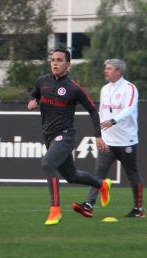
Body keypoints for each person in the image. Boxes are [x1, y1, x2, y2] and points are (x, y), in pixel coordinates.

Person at [28, 49, 112, 226]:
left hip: (66, 135)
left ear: (68, 64)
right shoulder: (42, 81)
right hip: (49, 136)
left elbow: (92, 110)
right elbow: (35, 93)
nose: (55, 63)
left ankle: (55, 210)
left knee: (47, 164)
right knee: (72, 176)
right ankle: (102, 185)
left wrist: (98, 135)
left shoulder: (73, 88)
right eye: (52, 60)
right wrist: (33, 100)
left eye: (59, 60)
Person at [72, 59, 145, 218]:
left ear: (118, 71)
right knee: (98, 175)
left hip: (126, 141)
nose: (106, 71)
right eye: (106, 68)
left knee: (132, 175)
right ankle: (89, 205)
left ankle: (138, 209)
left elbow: (130, 109)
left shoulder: (129, 88)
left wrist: (113, 121)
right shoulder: (105, 89)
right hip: (108, 142)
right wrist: (99, 136)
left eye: (109, 68)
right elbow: (102, 113)